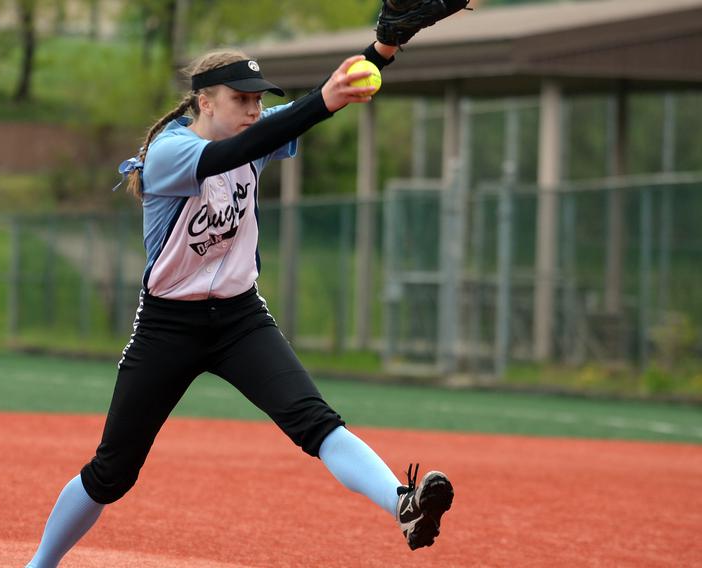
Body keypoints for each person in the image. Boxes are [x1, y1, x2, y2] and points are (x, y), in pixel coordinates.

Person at [25, 3, 468, 565]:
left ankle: (402, 504)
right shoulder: (171, 153)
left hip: (240, 319)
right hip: (168, 326)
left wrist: (383, 48)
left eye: (258, 99)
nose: (254, 110)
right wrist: (321, 99)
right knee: (112, 472)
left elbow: (300, 116)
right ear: (204, 102)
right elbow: (235, 152)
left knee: (317, 423)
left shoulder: (250, 130)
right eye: (241, 99)